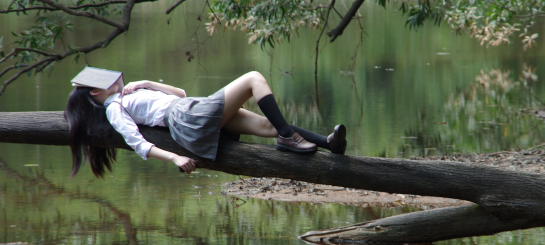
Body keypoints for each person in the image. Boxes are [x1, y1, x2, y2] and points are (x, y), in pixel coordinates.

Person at [65, 69, 347, 178]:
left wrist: (148, 82)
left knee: (268, 127)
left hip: (189, 108)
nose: (117, 79)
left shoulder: (128, 94)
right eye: (108, 81)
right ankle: (288, 138)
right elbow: (137, 143)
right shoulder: (114, 108)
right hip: (187, 118)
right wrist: (175, 158)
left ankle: (327, 143)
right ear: (95, 92)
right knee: (253, 79)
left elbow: (180, 94)